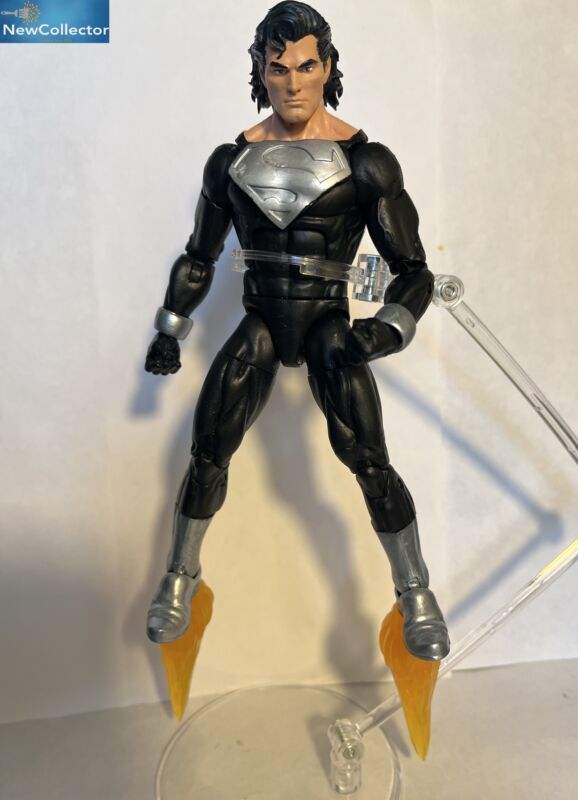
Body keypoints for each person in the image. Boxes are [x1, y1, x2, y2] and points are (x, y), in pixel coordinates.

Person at [145, 1, 450, 662]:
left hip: (328, 328)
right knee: (207, 449)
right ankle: (181, 576)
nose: (292, 83)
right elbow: (198, 257)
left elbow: (415, 272)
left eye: (306, 66)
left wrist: (385, 331)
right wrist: (171, 328)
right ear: (260, 69)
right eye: (278, 67)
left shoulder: (366, 163)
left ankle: (415, 591)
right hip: (261, 322)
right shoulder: (230, 161)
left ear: (329, 67)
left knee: (368, 458)